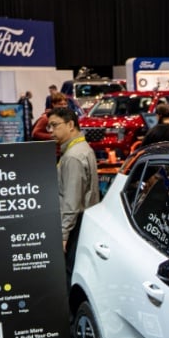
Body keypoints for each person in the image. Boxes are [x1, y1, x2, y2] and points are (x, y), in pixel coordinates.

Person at [48, 107, 100, 252]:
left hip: (75, 228)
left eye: (54, 125)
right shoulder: (83, 148)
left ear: (70, 125)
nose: (51, 131)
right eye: (49, 126)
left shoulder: (72, 156)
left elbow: (71, 201)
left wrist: (63, 234)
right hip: (83, 223)